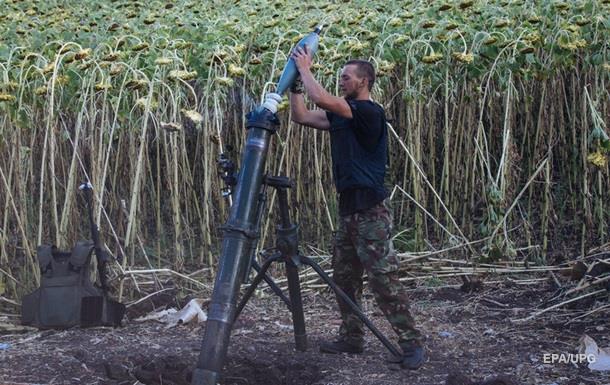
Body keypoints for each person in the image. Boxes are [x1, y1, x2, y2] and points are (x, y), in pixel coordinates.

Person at [285, 45, 426, 370]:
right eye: (340, 77)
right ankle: (352, 337)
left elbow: (320, 98)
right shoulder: (342, 114)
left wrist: (304, 68)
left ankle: (412, 344)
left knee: (382, 279)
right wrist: (294, 84)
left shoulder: (368, 112)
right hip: (348, 209)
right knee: (345, 277)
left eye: (346, 77)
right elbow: (303, 115)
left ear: (364, 81)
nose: (342, 81)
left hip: (371, 212)